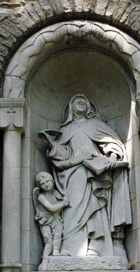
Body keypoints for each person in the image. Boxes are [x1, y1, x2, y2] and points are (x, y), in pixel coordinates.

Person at [39, 94, 132, 259]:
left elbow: (111, 142)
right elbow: (64, 152)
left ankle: (96, 249)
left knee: (95, 207)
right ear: (71, 107)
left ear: (89, 106)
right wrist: (52, 145)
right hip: (72, 173)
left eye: (84, 101)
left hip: (94, 171)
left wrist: (111, 156)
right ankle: (71, 249)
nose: (81, 103)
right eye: (76, 101)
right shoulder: (66, 129)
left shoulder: (95, 124)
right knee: (72, 209)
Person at [33, 172, 69, 269]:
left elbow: (62, 199)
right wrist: (63, 204)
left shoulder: (56, 193)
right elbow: (51, 208)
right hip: (45, 219)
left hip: (55, 218)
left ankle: (56, 254)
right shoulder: (41, 197)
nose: (46, 184)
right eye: (43, 183)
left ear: (52, 181)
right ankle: (44, 262)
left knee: (58, 235)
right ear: (40, 186)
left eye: (48, 181)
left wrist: (64, 199)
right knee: (48, 239)